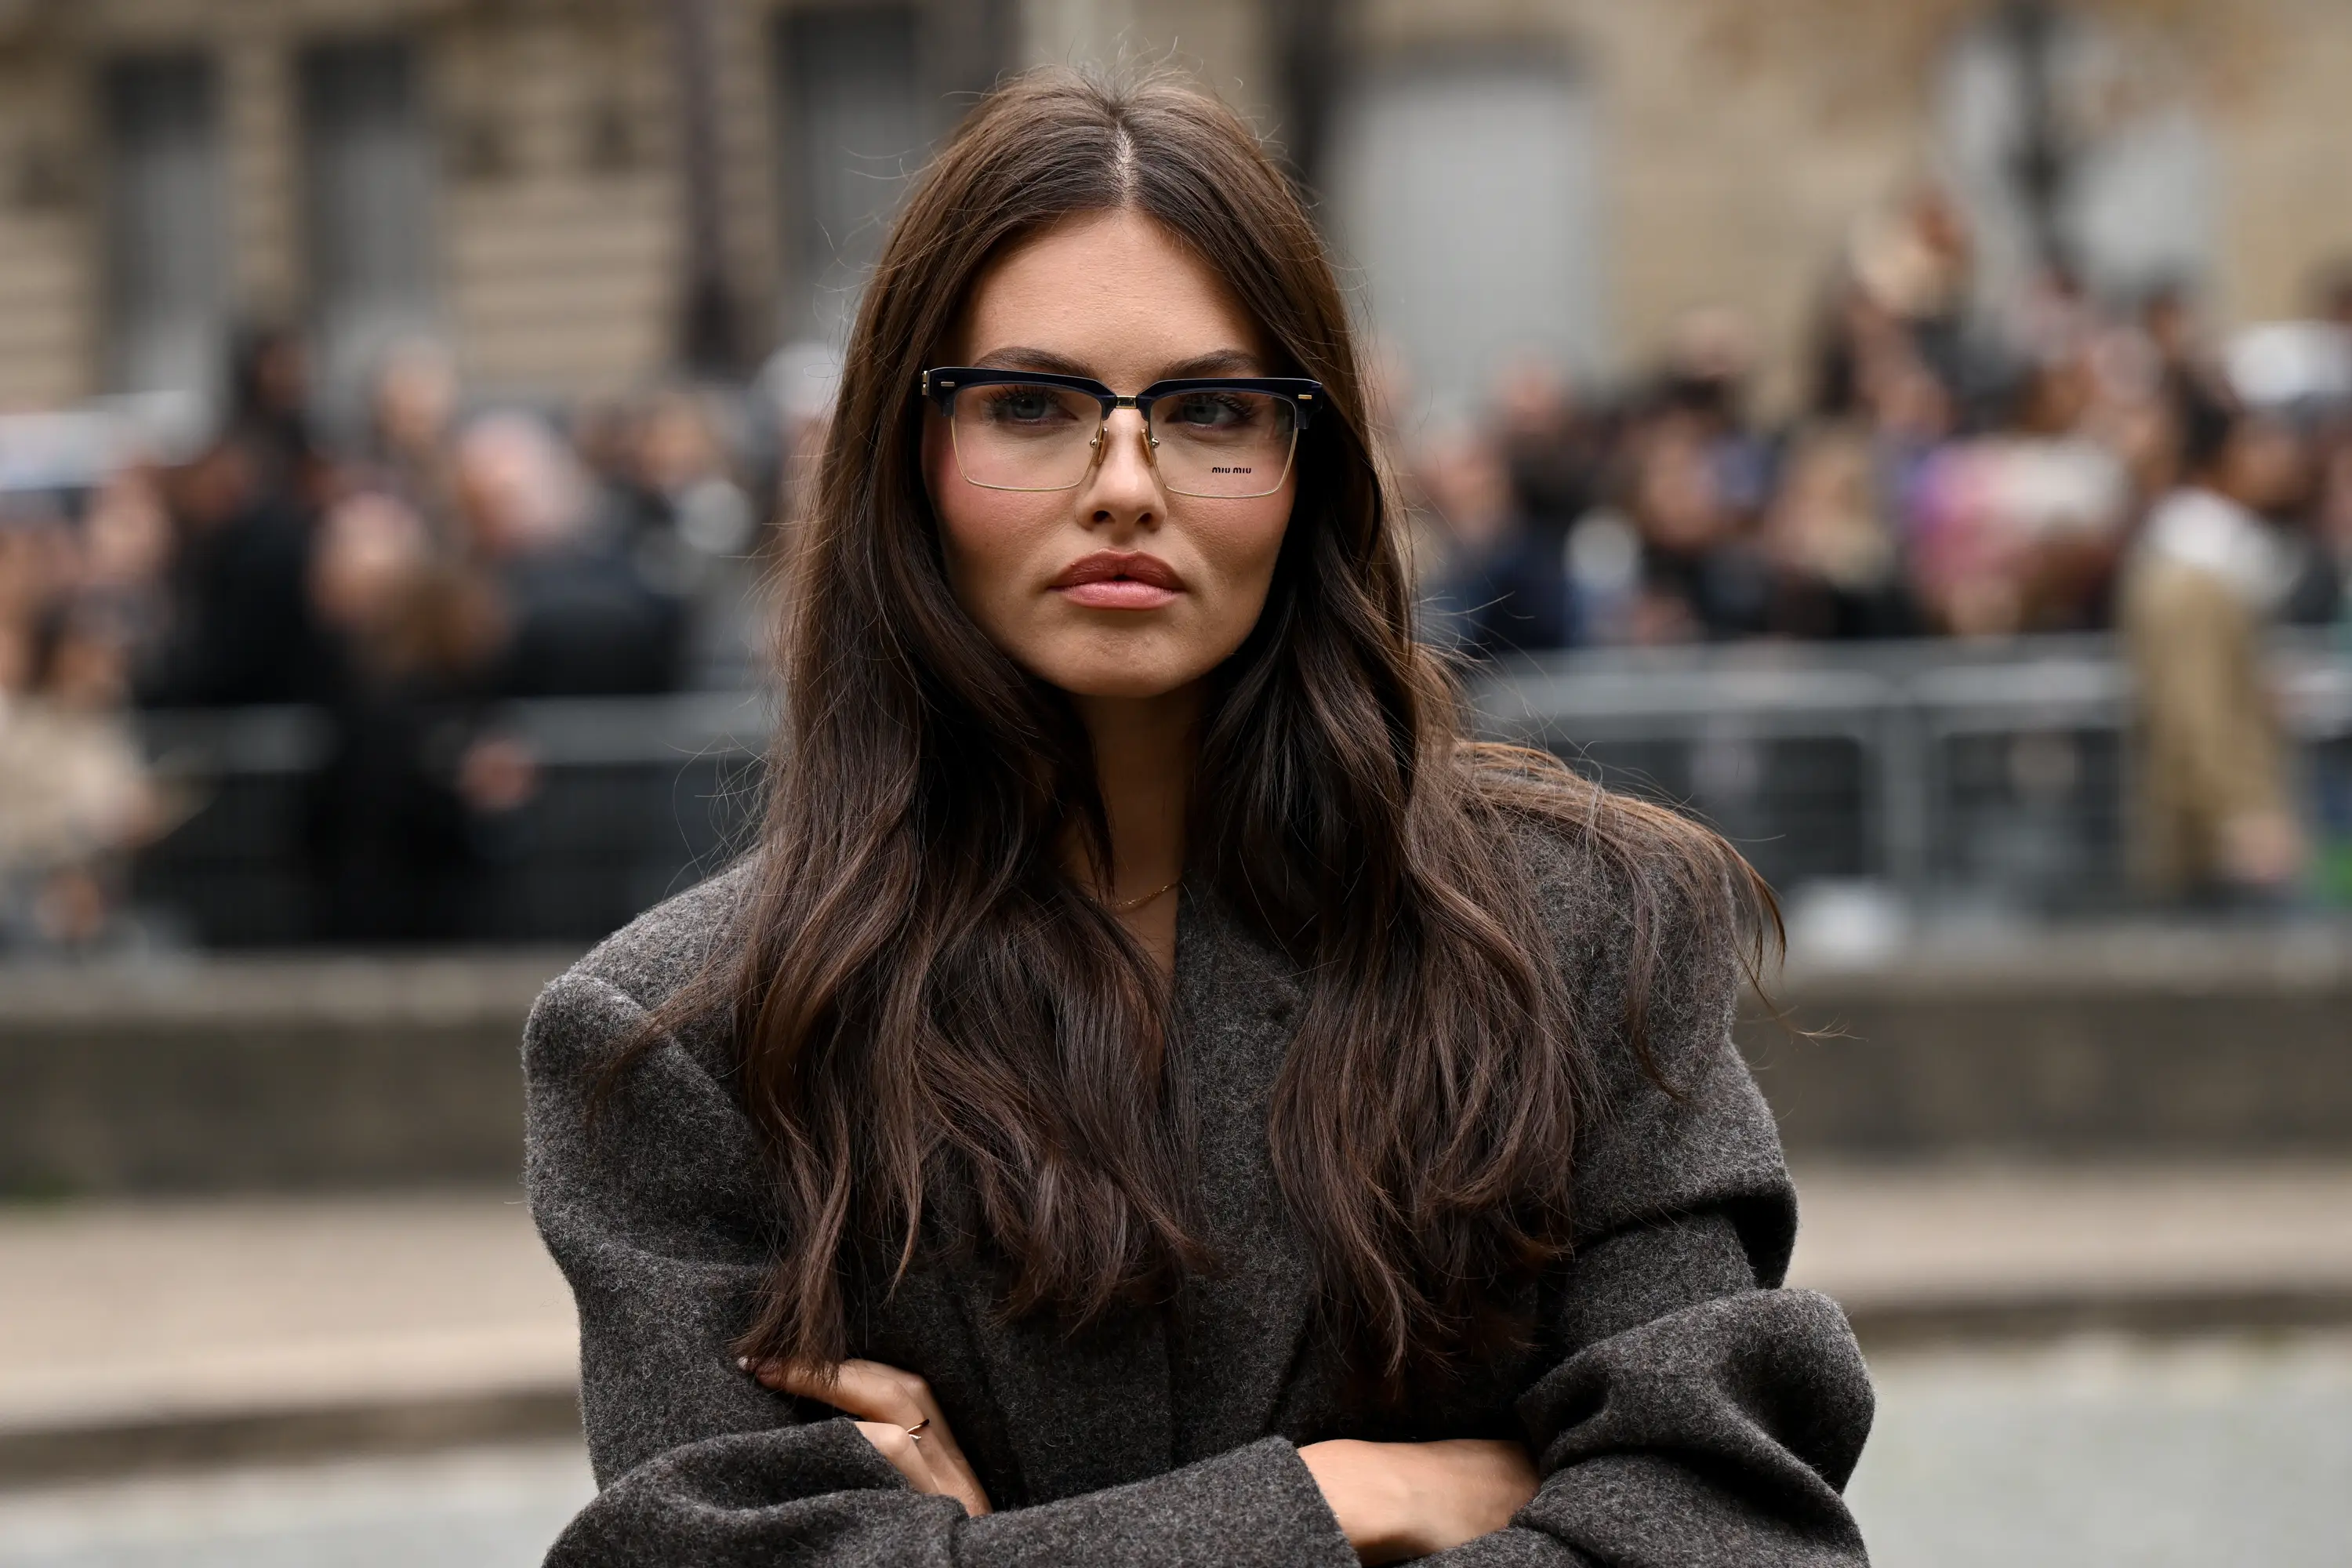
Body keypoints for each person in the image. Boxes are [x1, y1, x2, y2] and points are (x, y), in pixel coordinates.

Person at [525, 69, 1871, 1568]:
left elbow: (1727, 1538)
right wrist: (1355, 1499)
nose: (1124, 481)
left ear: (1310, 466)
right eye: (1030, 406)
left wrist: (998, 1554)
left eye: (1212, 410)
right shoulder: (690, 1043)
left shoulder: (1588, 939)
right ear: (912, 457)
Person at [2119, 385, 2310, 906]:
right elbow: (2192, 711)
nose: (2278, 458)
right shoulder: (2190, 576)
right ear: (2215, 461)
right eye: (2257, 445)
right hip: (2217, 844)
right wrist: (2241, 816)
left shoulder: (2218, 563)